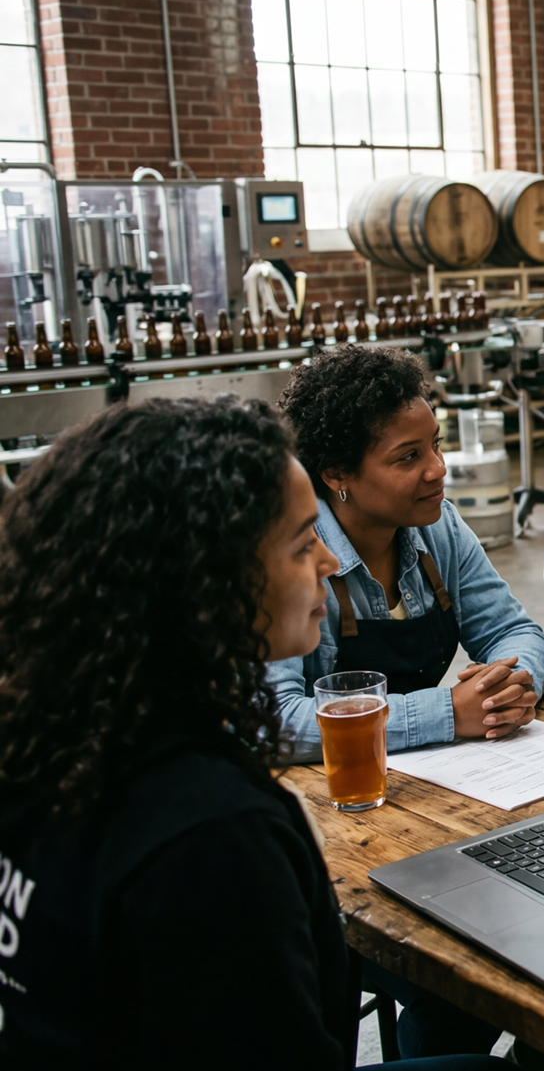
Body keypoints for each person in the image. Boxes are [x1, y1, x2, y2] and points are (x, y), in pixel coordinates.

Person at [0, 397, 506, 1070]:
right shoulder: (211, 835)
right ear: (206, 583)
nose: (328, 561)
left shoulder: (54, 741)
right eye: (302, 543)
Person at [270, 343, 544, 764]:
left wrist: (507, 685)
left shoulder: (441, 528)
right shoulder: (289, 555)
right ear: (336, 474)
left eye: (436, 444)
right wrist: (448, 713)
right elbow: (275, 720)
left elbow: (514, 633)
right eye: (408, 457)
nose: (438, 468)